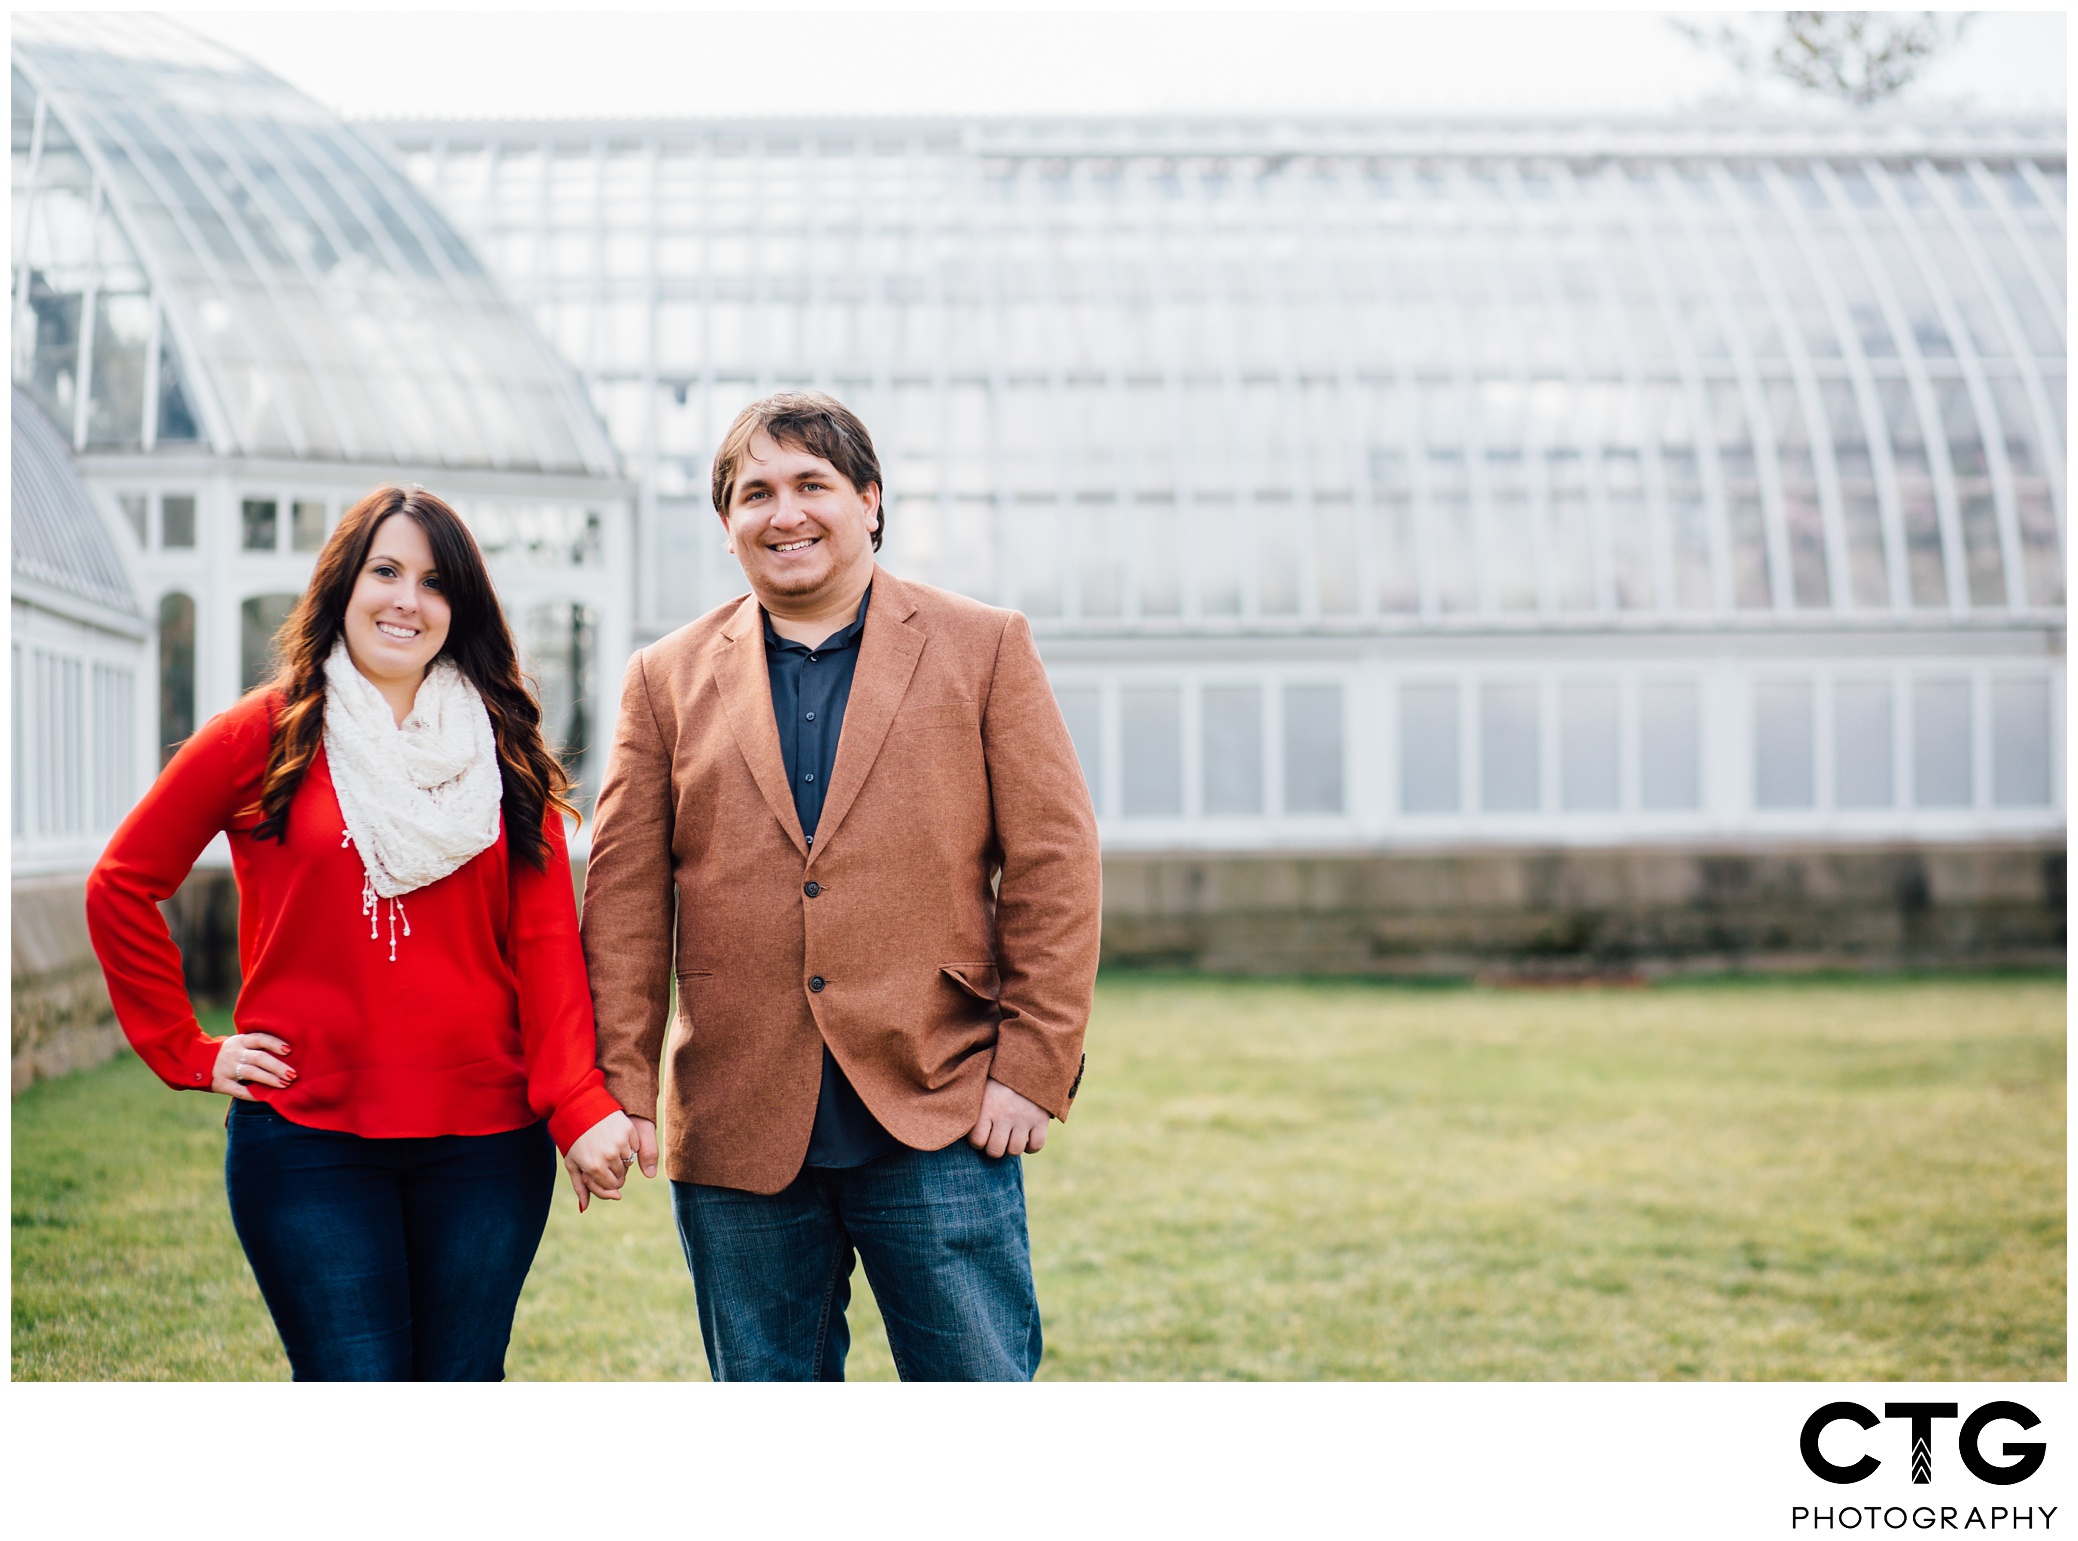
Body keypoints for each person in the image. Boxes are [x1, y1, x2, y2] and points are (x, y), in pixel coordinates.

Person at [583, 390, 1102, 1381]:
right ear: (727, 524)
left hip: (940, 1109)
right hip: (738, 1127)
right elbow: (624, 900)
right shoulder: (663, 677)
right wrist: (621, 1084)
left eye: (811, 484)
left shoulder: (984, 645)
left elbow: (1054, 863)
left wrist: (1032, 1064)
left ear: (868, 499)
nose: (785, 513)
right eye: (755, 492)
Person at [85, 485, 640, 1382]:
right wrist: (187, 1049)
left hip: (485, 1146)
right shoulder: (262, 735)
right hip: (307, 1139)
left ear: (458, 609)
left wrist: (576, 1104)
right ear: (342, 584)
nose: (405, 600)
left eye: (432, 582)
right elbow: (121, 886)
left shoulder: (500, 754)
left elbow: (544, 950)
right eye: (385, 570)